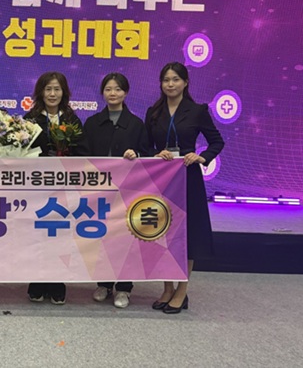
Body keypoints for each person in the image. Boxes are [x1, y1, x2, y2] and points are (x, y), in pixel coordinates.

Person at [145, 62, 224, 314]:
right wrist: (156, 153)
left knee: (187, 235)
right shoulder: (153, 112)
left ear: (185, 82)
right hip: (162, 178)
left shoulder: (198, 110)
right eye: (166, 80)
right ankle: (167, 288)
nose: (170, 84)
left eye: (176, 79)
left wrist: (202, 157)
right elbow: (146, 145)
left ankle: (182, 290)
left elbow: (217, 141)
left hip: (188, 177)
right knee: (164, 233)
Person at [82, 73, 149, 309]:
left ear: (126, 92)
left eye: (118, 89)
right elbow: (83, 155)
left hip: (128, 191)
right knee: (102, 237)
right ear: (102, 93)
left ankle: (124, 287)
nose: (113, 93)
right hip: (99, 190)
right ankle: (104, 283)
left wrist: (136, 154)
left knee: (125, 239)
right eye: (108, 89)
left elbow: (147, 152)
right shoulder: (92, 123)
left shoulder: (136, 124)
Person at [23, 71, 84, 305]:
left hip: (64, 187)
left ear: (64, 92)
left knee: (61, 234)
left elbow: (82, 151)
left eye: (57, 89)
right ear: (40, 92)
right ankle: (37, 282)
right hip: (36, 187)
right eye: (48, 89)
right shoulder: (30, 119)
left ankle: (58, 283)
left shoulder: (71, 119)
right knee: (37, 234)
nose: (52, 94)